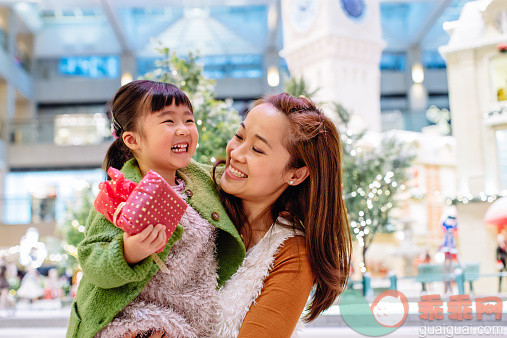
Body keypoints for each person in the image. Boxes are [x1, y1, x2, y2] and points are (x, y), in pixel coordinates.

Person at [67, 80, 245, 338]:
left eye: (189, 120)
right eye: (168, 122)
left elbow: (244, 190)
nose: (183, 130)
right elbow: (91, 258)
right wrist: (127, 252)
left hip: (191, 322)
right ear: (132, 139)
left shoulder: (204, 182)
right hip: (133, 322)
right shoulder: (121, 193)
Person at [212, 93, 352, 337]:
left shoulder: (292, 254)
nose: (235, 153)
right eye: (239, 136)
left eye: (257, 149)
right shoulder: (193, 193)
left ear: (296, 174)